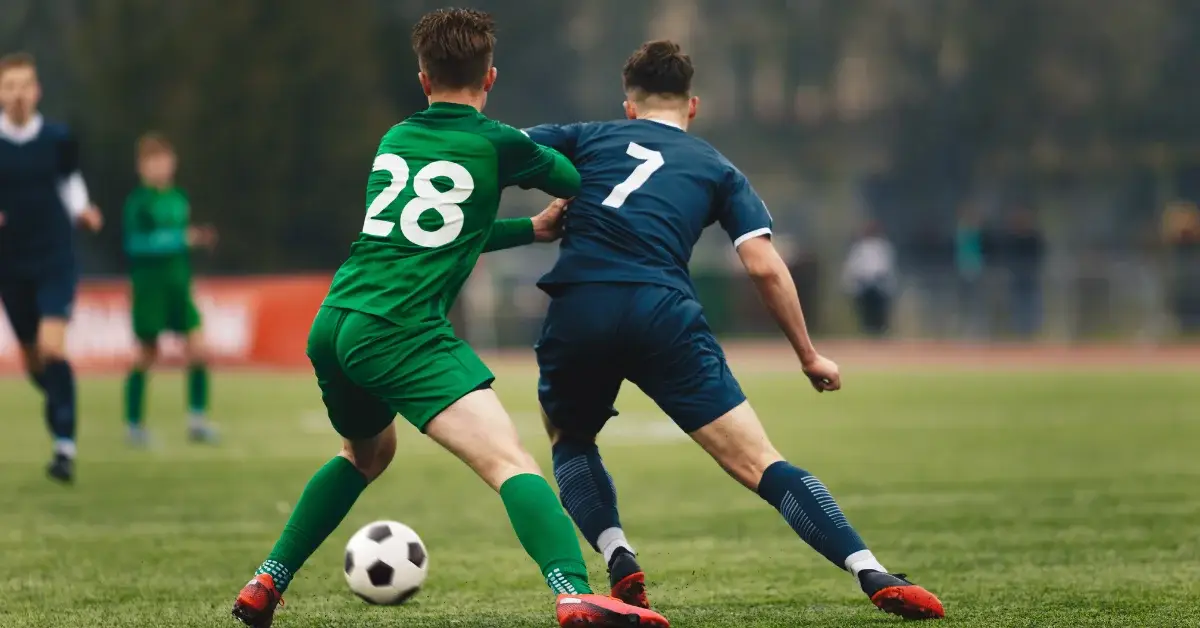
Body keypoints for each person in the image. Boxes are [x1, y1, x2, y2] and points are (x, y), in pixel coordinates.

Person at [230, 10, 669, 628]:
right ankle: (573, 593)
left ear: (422, 79)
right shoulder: (498, 141)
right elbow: (569, 176)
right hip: (399, 329)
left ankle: (266, 581)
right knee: (510, 462)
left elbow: (438, 230)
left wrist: (528, 230)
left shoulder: (396, 138)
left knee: (365, 454)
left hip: (336, 321)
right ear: (490, 77)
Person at [524, 40, 945, 620]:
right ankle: (870, 571)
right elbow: (764, 266)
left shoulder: (586, 136)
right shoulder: (717, 167)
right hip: (662, 313)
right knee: (761, 462)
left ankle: (618, 553)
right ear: (692, 106)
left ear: (629, 107)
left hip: (580, 306)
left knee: (570, 438)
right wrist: (808, 354)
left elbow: (497, 146)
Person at [0, 52, 103, 483]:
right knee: (35, 362)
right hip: (10, 265)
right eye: (10, 86)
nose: (18, 94)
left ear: (37, 90)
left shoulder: (58, 138)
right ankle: (61, 398)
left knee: (53, 348)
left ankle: (64, 445)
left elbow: (70, 182)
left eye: (25, 85)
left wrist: (83, 211)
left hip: (54, 258)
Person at [122, 133, 219, 446]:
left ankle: (197, 420)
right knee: (147, 353)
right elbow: (135, 244)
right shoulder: (138, 202)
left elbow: (181, 239)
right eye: (153, 162)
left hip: (178, 285)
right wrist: (180, 239)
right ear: (141, 167)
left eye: (164, 161)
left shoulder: (178, 197)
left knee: (199, 348)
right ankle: (133, 424)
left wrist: (196, 239)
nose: (160, 167)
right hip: (149, 288)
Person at [841, 220, 897, 337]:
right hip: (863, 286)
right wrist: (849, 285)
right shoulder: (859, 248)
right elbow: (852, 268)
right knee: (865, 315)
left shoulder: (882, 247)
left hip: (879, 286)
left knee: (879, 316)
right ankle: (867, 335)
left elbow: (887, 267)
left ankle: (880, 335)